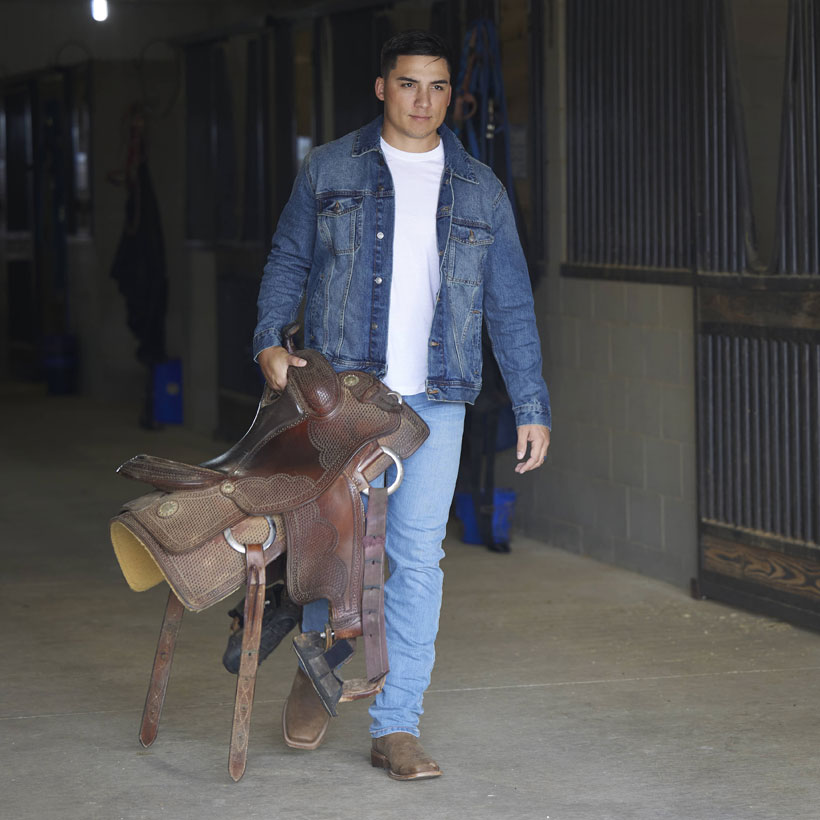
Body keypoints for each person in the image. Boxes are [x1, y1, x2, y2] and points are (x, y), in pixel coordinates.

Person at [253, 29, 551, 781]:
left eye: (439, 87)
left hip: (438, 399)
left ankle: (397, 726)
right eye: (410, 84)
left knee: (418, 557)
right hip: (344, 394)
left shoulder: (480, 187)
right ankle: (319, 664)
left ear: (454, 96)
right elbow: (289, 257)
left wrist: (531, 403)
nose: (425, 101)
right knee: (332, 548)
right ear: (382, 87)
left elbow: (510, 303)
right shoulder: (330, 168)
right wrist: (268, 341)